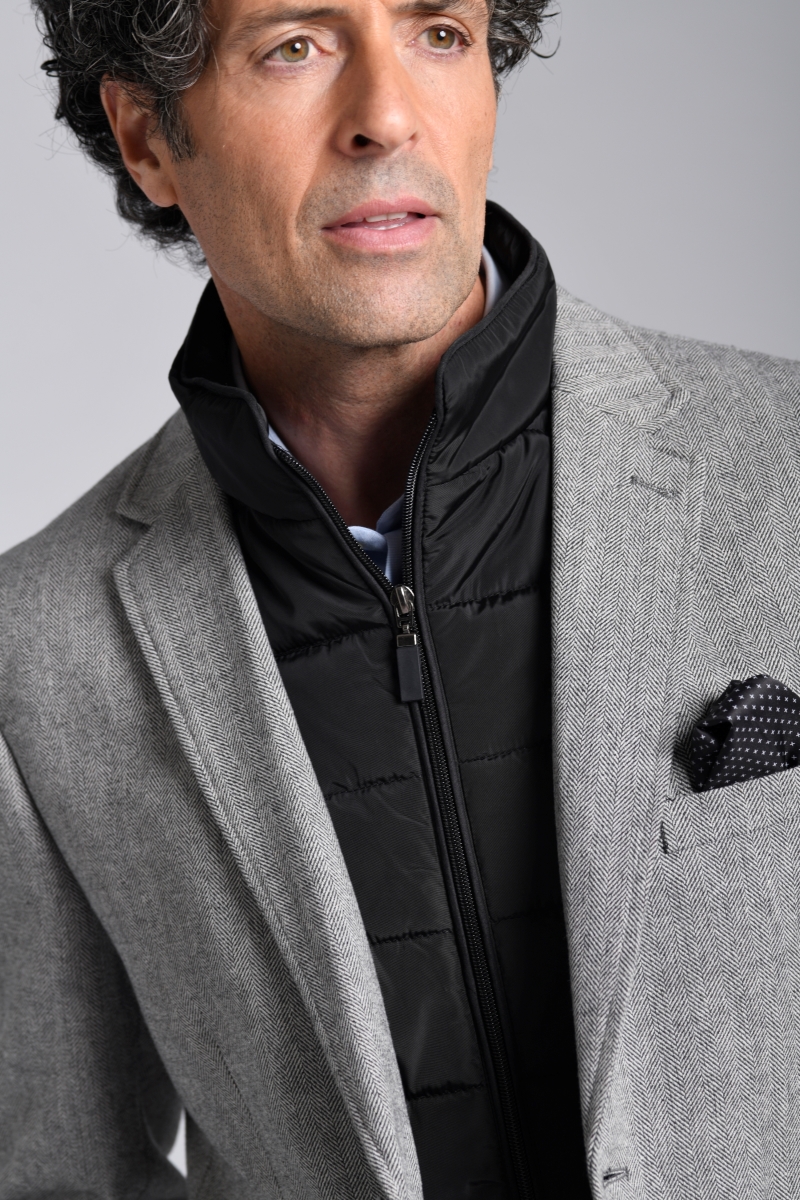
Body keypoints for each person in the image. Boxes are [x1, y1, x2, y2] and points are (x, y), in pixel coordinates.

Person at [2, 0, 800, 1195]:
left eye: (437, 33)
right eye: (295, 46)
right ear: (147, 138)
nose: (385, 115)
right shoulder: (37, 651)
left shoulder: (780, 461)